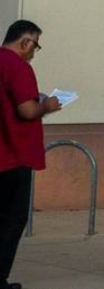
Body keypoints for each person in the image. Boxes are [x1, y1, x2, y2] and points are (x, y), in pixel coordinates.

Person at [0, 20, 60, 289]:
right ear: (25, 42)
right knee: (12, 218)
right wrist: (45, 105)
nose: (34, 51)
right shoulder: (18, 67)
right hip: (12, 154)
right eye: (35, 45)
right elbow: (26, 111)